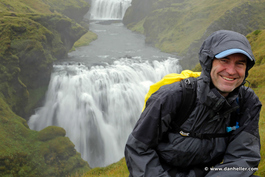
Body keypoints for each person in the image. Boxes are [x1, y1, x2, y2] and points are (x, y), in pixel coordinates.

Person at [124, 30, 262, 177]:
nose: (231, 71)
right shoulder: (173, 96)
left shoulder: (248, 102)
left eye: (239, 64)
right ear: (209, 62)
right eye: (224, 60)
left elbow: (242, 157)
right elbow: (138, 149)